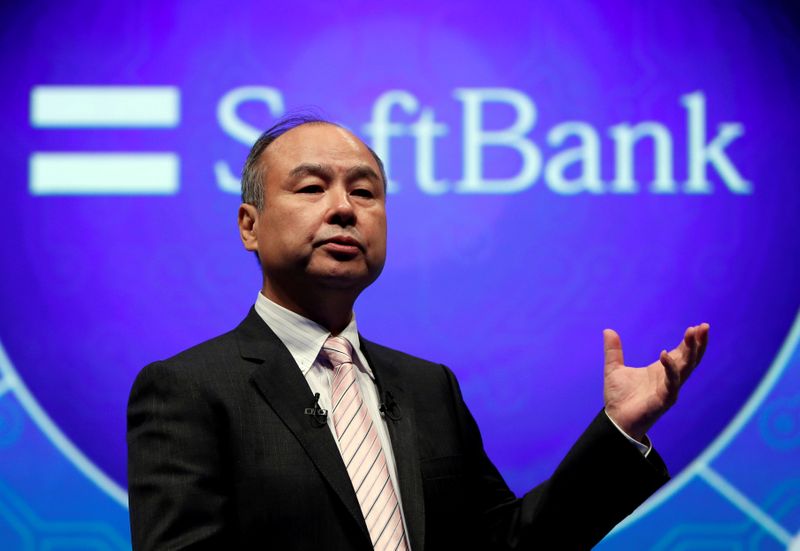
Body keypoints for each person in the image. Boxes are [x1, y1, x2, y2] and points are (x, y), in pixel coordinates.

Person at [127, 115, 709, 550]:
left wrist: (620, 429)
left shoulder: (428, 389)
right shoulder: (189, 390)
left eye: (364, 192)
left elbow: (510, 545)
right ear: (249, 226)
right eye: (311, 188)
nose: (344, 209)